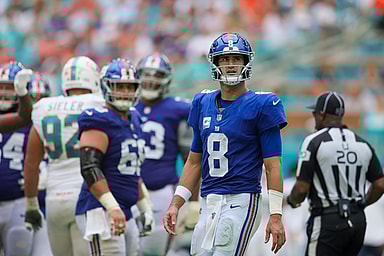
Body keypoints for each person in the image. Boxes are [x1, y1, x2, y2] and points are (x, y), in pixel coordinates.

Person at [163, 32, 287, 255]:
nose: (230, 65)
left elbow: (273, 165)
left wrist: (275, 215)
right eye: (225, 59)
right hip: (208, 200)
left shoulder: (263, 104)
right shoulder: (202, 102)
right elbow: (193, 162)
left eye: (236, 59)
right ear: (215, 63)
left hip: (242, 198)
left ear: (245, 63)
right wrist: (176, 203)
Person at [23, 56, 104, 256]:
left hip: (54, 199)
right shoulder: (98, 104)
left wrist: (31, 203)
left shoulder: (45, 107)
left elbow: (31, 164)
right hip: (85, 195)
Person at [287, 91, 384, 256]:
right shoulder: (362, 143)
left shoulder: (314, 141)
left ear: (321, 114)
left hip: (327, 219)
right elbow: (380, 184)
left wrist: (292, 200)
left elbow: (301, 189)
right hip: (357, 221)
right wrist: (362, 204)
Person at [75, 58, 152, 256]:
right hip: (100, 210)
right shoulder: (99, 118)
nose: (125, 92)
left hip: (126, 209)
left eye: (130, 87)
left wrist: (145, 207)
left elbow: (132, 169)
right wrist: (112, 207)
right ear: (106, 86)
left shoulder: (134, 117)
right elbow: (89, 167)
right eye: (119, 86)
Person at [135, 53, 198, 256]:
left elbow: (192, 158)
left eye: (157, 75)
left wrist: (194, 201)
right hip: (127, 191)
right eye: (146, 75)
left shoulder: (177, 109)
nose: (151, 80)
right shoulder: (127, 108)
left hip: (161, 191)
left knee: (154, 251)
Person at [0, 61, 52, 256]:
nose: (4, 93)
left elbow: (25, 116)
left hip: (19, 199)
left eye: (9, 87)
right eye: (1, 87)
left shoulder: (31, 119)